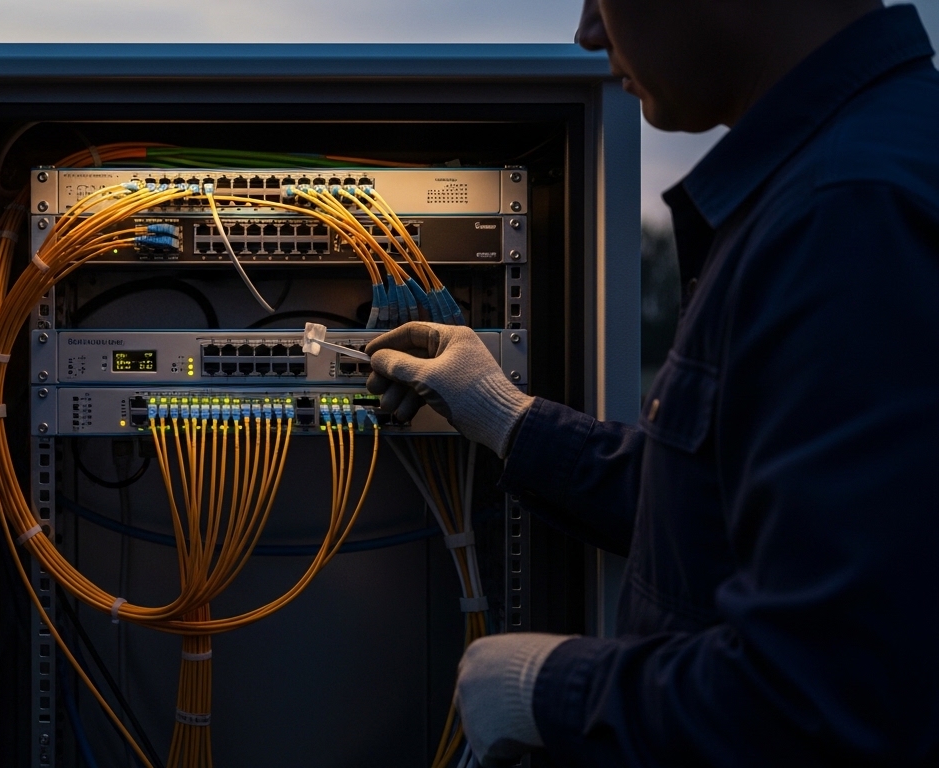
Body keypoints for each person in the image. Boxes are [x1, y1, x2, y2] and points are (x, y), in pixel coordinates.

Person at [365, 1, 939, 765]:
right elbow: (717, 509)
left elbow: (828, 704)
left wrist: (550, 689)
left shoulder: (852, 212)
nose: (588, 34)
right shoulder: (854, 173)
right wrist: (507, 416)